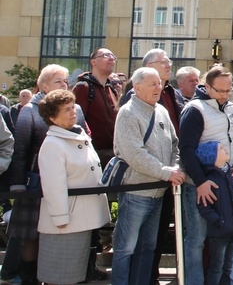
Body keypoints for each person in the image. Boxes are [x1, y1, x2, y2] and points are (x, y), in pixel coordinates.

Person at [6, 65, 84, 285]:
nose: (64, 83)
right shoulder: (30, 110)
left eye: (65, 80)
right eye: (58, 80)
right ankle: (29, 279)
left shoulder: (75, 109)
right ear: (43, 85)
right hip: (36, 183)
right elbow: (20, 149)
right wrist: (18, 185)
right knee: (31, 235)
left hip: (67, 183)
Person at [111, 68, 185, 285]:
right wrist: (166, 172)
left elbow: (174, 144)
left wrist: (174, 168)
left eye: (159, 83)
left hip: (158, 192)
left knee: (148, 248)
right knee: (125, 248)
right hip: (136, 192)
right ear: (137, 87)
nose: (158, 88)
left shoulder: (161, 110)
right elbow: (134, 153)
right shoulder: (128, 113)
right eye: (152, 84)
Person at [178, 66, 233, 285]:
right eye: (220, 91)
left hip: (227, 182)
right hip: (199, 184)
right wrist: (200, 182)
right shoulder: (194, 110)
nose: (225, 95)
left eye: (229, 90)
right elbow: (186, 150)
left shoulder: (232, 108)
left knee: (228, 235)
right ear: (207, 87)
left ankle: (228, 280)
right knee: (197, 239)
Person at [35, 89, 111, 285]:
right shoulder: (53, 143)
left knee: (74, 275)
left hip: (81, 217)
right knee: (59, 275)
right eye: (66, 110)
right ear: (52, 117)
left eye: (72, 107)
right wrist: (60, 217)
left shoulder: (77, 133)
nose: (73, 112)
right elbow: (53, 186)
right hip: (66, 221)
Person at [194, 142, 233, 285]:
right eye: (221, 149)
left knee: (228, 265)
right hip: (220, 231)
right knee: (217, 266)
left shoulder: (229, 174)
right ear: (212, 157)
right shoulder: (210, 180)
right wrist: (218, 221)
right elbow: (203, 206)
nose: (225, 149)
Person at [72, 47, 121, 166]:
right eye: (105, 55)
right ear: (93, 62)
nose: (111, 58)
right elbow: (75, 123)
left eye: (113, 56)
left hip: (112, 156)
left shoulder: (111, 90)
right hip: (91, 157)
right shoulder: (83, 88)